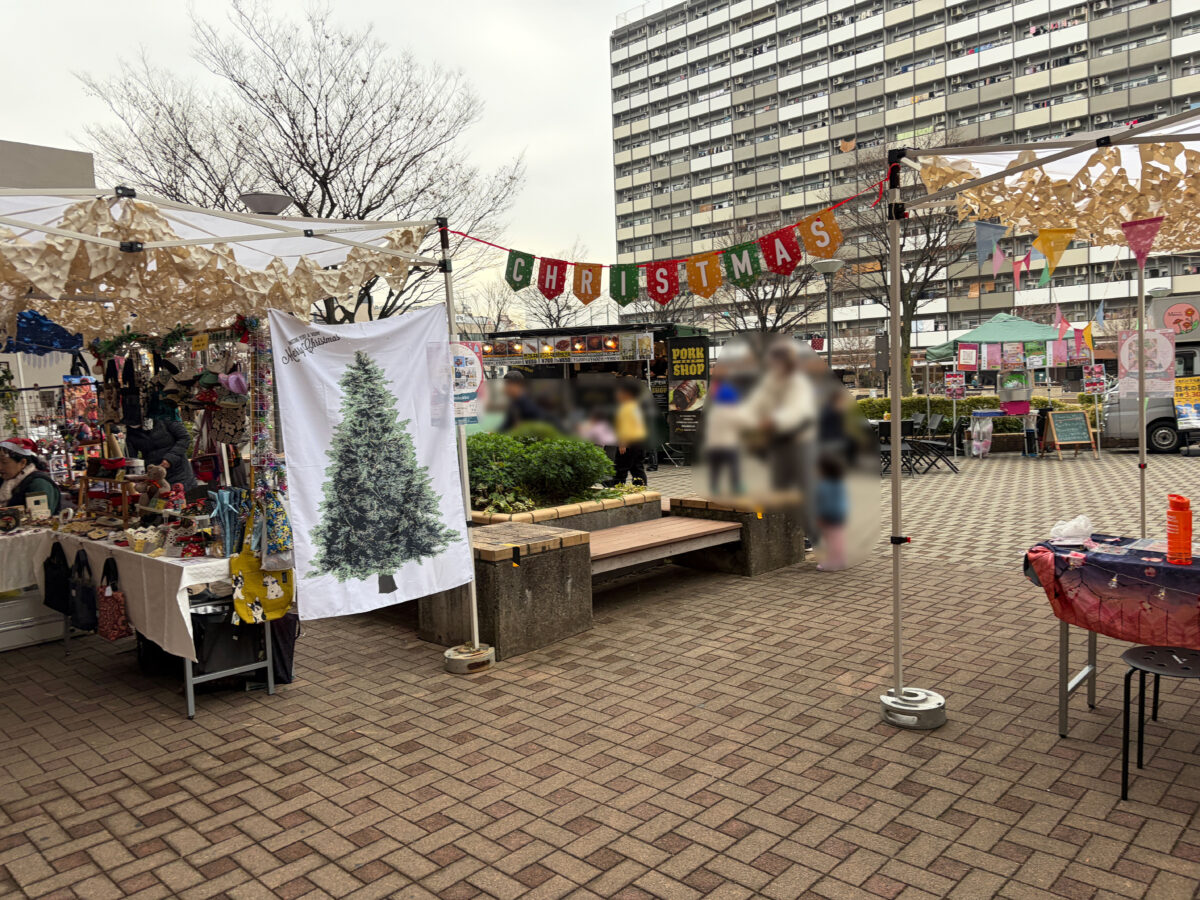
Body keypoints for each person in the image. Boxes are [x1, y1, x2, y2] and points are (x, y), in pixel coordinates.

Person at [703, 370, 747, 494]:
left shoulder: (713, 412)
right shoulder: (734, 411)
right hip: (729, 445)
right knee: (734, 466)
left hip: (713, 445)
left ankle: (714, 487)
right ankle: (736, 486)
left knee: (715, 467)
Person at [125, 417, 198, 491]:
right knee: (159, 496)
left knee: (180, 496)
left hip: (179, 473)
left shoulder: (165, 417)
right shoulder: (131, 430)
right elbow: (131, 456)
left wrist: (170, 458)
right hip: (155, 475)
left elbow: (184, 438)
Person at [0, 437, 62, 514]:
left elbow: (39, 517)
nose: (0, 467)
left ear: (22, 463)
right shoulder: (4, 481)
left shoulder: (38, 484)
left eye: (4, 462)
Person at [613, 381, 648, 486]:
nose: (617, 395)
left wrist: (622, 442)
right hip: (639, 442)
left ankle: (617, 490)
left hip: (629, 443)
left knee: (621, 469)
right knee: (637, 468)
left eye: (619, 392)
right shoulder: (635, 406)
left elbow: (625, 427)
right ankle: (641, 489)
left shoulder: (626, 408)